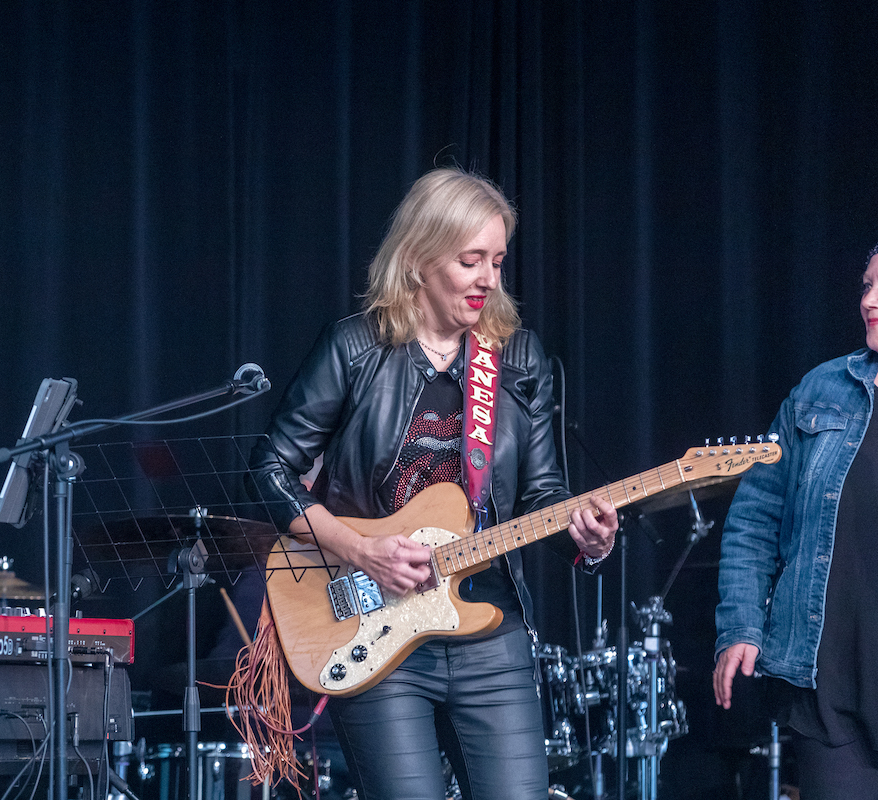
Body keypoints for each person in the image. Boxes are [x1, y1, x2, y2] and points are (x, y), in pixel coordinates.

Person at [249, 168, 617, 800]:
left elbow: (542, 497)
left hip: (490, 631)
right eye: (471, 260)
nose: (489, 280)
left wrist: (588, 537)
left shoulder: (517, 359)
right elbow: (268, 468)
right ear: (418, 258)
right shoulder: (356, 347)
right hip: (374, 625)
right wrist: (360, 550)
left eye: (498, 261)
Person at [714, 228, 878, 799]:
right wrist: (741, 624)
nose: (868, 299)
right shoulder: (822, 393)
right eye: (865, 286)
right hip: (836, 689)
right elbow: (754, 520)